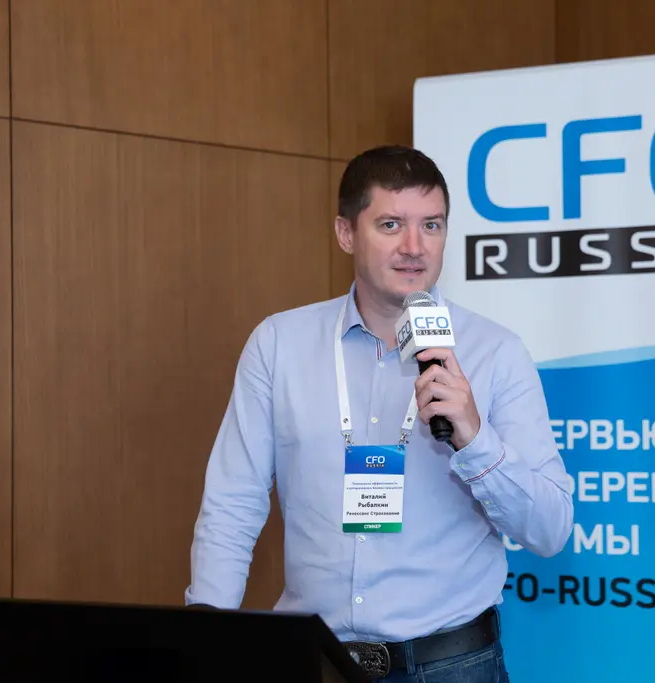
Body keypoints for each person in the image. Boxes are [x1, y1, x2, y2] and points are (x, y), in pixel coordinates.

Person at [185, 145, 574, 682]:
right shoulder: (279, 344)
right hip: (315, 660)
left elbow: (551, 530)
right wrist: (204, 642)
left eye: (431, 225)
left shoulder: (495, 352)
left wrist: (475, 438)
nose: (414, 247)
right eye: (391, 225)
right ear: (346, 233)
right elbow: (233, 503)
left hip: (451, 665)